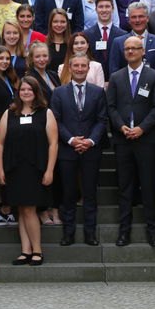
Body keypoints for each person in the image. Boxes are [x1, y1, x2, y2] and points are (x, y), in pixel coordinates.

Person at [106, 36, 155, 247]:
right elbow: (111, 107)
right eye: (127, 49)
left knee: (148, 187)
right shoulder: (116, 77)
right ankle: (124, 232)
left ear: (143, 51)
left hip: (146, 140)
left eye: (135, 48)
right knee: (125, 187)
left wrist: (142, 128)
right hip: (123, 140)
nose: (131, 52)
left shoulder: (154, 76)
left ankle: (152, 231)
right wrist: (121, 126)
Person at [0, 76, 58, 266]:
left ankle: (37, 250)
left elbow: (53, 144)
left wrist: (49, 170)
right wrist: (0, 169)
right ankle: (25, 250)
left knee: (30, 209)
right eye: (22, 90)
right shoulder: (10, 113)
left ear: (36, 91)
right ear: (18, 92)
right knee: (21, 210)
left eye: (29, 89)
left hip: (35, 169)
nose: (26, 93)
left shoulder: (46, 113)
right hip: (14, 168)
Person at [50, 53, 107, 247]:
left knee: (90, 193)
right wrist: (72, 139)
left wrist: (90, 141)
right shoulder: (59, 92)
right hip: (67, 150)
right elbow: (56, 120)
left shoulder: (98, 92)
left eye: (84, 66)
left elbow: (101, 120)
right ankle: (68, 233)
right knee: (68, 193)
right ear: (70, 68)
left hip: (91, 150)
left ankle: (90, 233)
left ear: (88, 68)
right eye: (76, 66)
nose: (80, 69)